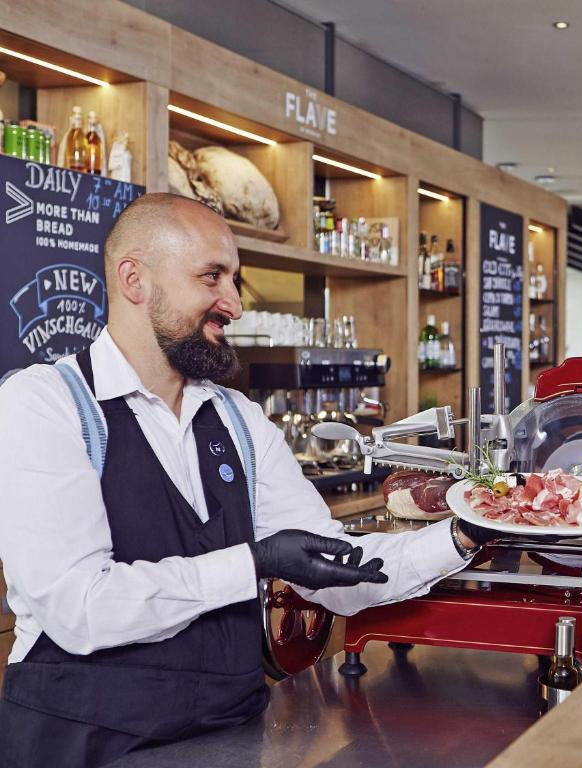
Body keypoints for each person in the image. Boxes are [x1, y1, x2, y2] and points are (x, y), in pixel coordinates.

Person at [0, 194, 493, 768]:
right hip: (84, 742)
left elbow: (337, 572)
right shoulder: (45, 404)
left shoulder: (237, 417)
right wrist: (254, 562)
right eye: (212, 277)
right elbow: (80, 608)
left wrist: (467, 532)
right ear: (134, 280)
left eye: (234, 280)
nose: (234, 303)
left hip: (226, 734)